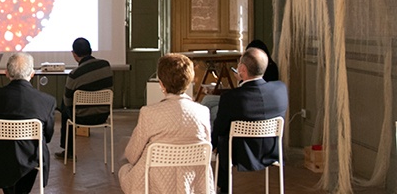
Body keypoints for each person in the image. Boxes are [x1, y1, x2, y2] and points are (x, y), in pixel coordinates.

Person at [119, 53, 213, 194]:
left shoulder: (149, 112)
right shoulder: (203, 112)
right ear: (189, 81)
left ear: (161, 84)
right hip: (192, 181)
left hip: (155, 183)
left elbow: (132, 155)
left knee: (124, 170)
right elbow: (206, 150)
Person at [211, 48, 288, 194]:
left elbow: (220, 128)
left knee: (222, 138)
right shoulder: (280, 89)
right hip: (271, 150)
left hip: (240, 154)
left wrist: (211, 146)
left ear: (242, 69)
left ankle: (224, 188)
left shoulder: (231, 97)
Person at [0, 53, 56, 194]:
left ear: (6, 73)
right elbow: (48, 137)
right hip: (32, 159)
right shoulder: (47, 101)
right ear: (32, 74)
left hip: (1, 159)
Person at [55, 37, 113, 159]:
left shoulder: (75, 74)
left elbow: (68, 102)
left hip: (81, 118)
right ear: (91, 50)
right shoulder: (105, 66)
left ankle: (68, 151)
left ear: (74, 54)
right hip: (103, 115)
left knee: (63, 105)